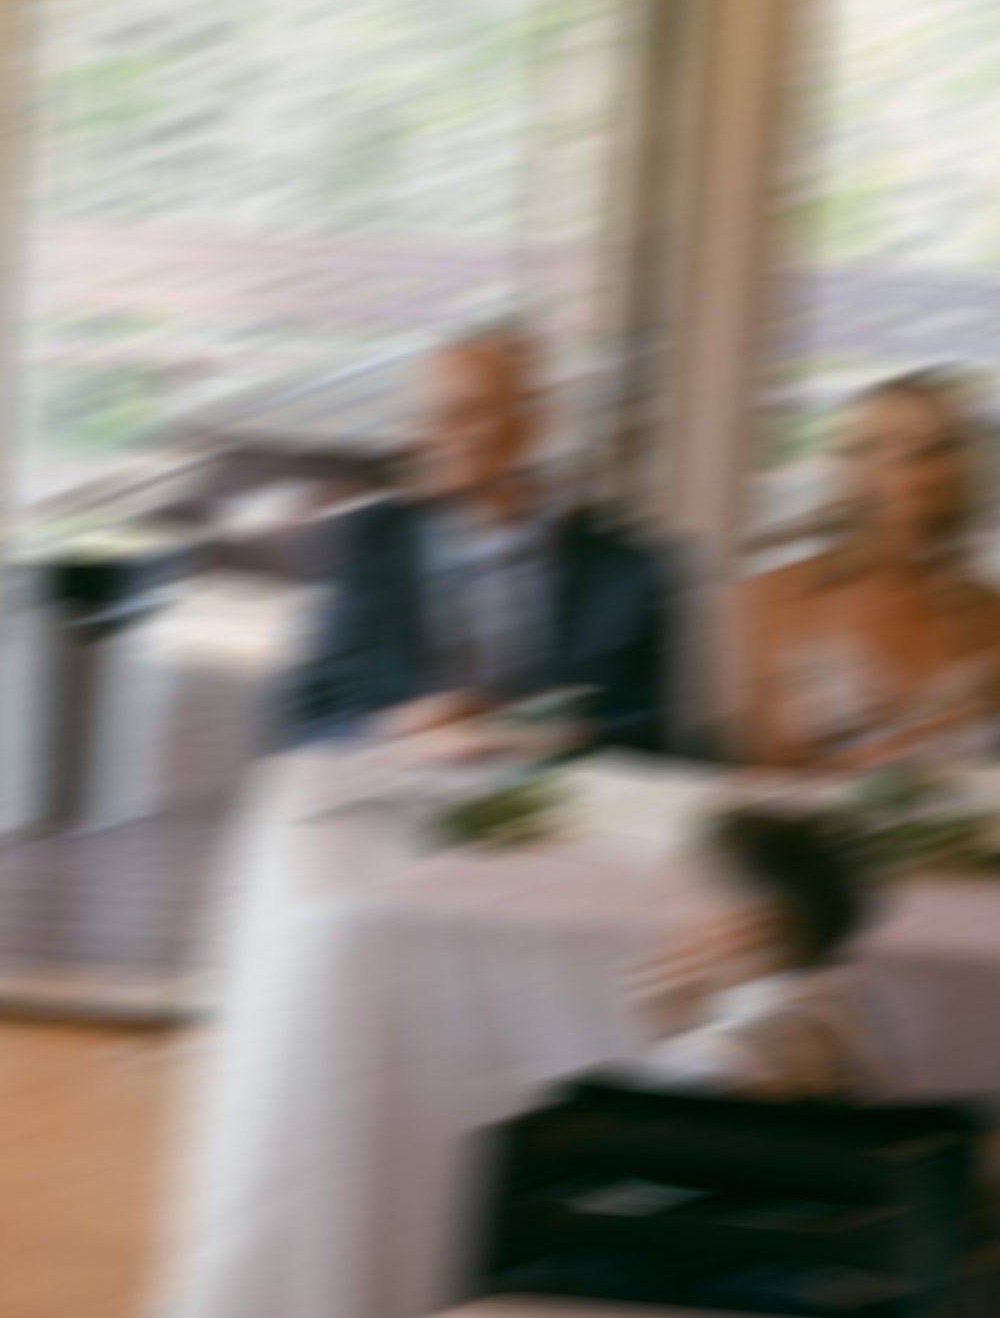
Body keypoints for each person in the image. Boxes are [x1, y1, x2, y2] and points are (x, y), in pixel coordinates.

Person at [281, 324, 680, 753]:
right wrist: (397, 726)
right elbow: (304, 719)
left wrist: (527, 739)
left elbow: (656, 732)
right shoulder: (367, 543)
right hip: (401, 783)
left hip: (559, 789)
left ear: (531, 425)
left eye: (458, 416)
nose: (419, 440)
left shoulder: (625, 569)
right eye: (419, 418)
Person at [741, 370, 1000, 770]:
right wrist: (914, 743)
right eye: (886, 448)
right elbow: (764, 766)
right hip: (811, 809)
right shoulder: (774, 595)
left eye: (934, 450)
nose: (913, 473)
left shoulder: (988, 611)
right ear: (853, 466)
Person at [628, 809, 887, 1101]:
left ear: (760, 923)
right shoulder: (845, 1017)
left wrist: (669, 1037)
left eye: (693, 892)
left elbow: (657, 1120)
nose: (669, 915)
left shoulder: (711, 1059)